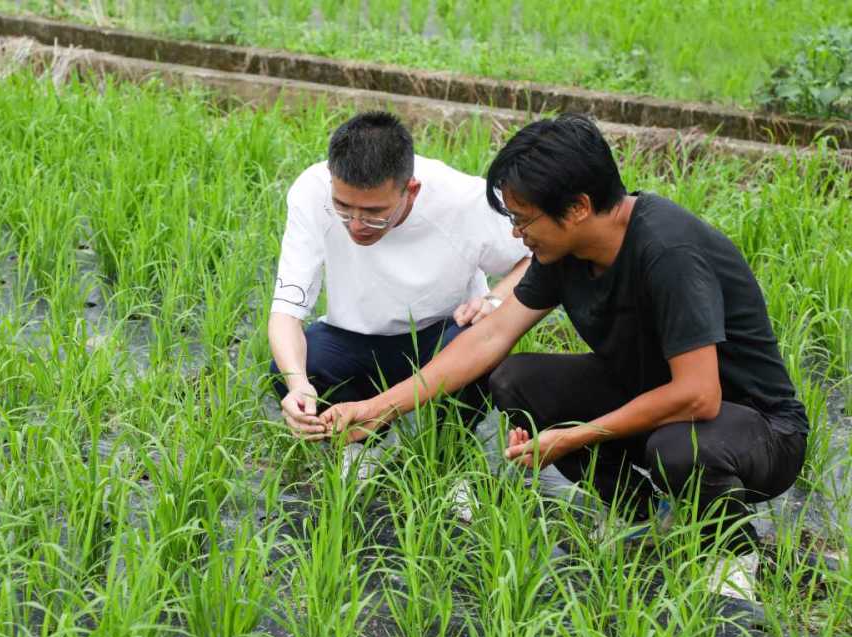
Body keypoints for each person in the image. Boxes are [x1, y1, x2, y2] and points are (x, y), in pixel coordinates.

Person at [321, 113, 808, 600]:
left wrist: (575, 435)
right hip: (654, 397)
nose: (516, 234)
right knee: (515, 380)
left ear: (577, 207)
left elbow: (699, 396)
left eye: (522, 218)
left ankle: (730, 549)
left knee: (682, 447)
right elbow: (490, 339)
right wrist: (375, 408)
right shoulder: (565, 251)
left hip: (755, 428)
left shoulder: (668, 251)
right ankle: (643, 515)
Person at [268, 111, 530, 449]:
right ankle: (361, 448)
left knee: (482, 345)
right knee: (296, 362)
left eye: (375, 213)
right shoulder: (311, 190)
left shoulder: (464, 200)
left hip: (441, 335)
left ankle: (448, 456)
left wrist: (495, 298)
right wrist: (297, 383)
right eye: (343, 208)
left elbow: (535, 255)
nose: (357, 225)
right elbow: (286, 311)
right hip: (353, 337)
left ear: (412, 190)